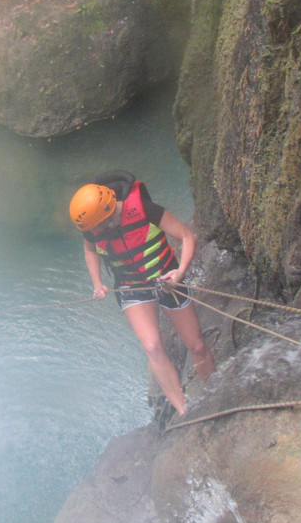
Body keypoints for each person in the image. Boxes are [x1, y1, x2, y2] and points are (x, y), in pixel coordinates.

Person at [70, 170, 215, 417]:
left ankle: (213, 393)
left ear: (107, 214)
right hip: (131, 286)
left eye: (99, 227)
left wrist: (179, 272)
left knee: (197, 345)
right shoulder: (93, 226)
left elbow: (187, 236)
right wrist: (97, 283)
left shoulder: (144, 208)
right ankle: (183, 409)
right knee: (152, 347)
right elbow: (90, 251)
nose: (97, 232)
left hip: (166, 278)